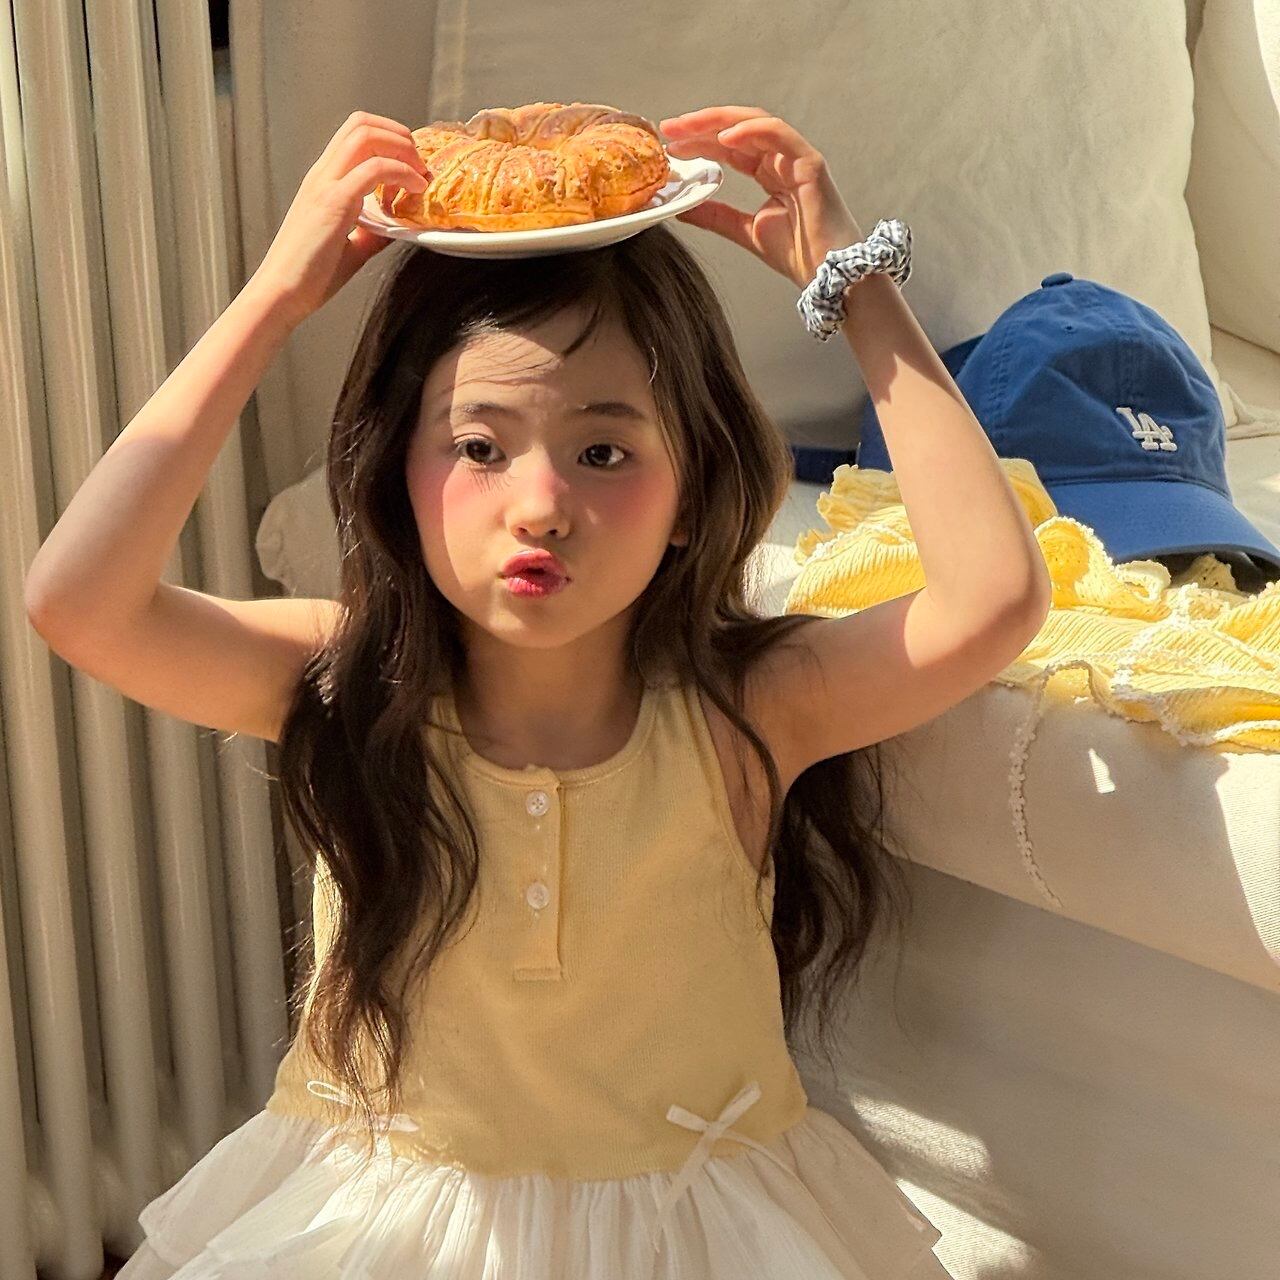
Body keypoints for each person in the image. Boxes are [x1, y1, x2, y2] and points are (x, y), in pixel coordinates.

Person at [25, 106, 1050, 1278]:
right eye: (478, 446)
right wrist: (274, 299)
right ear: (395, 471)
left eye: (602, 452)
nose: (540, 505)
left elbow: (990, 598)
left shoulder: (744, 713)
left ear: (688, 492)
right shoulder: (348, 681)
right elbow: (78, 601)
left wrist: (856, 287)